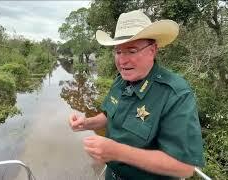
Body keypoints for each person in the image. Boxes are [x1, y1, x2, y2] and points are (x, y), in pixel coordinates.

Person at [69, 9, 204, 180]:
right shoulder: (121, 79)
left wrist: (117, 152)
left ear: (152, 50)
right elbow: (110, 114)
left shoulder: (175, 94)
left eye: (131, 51)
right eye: (118, 51)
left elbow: (184, 168)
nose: (122, 60)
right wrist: (87, 123)